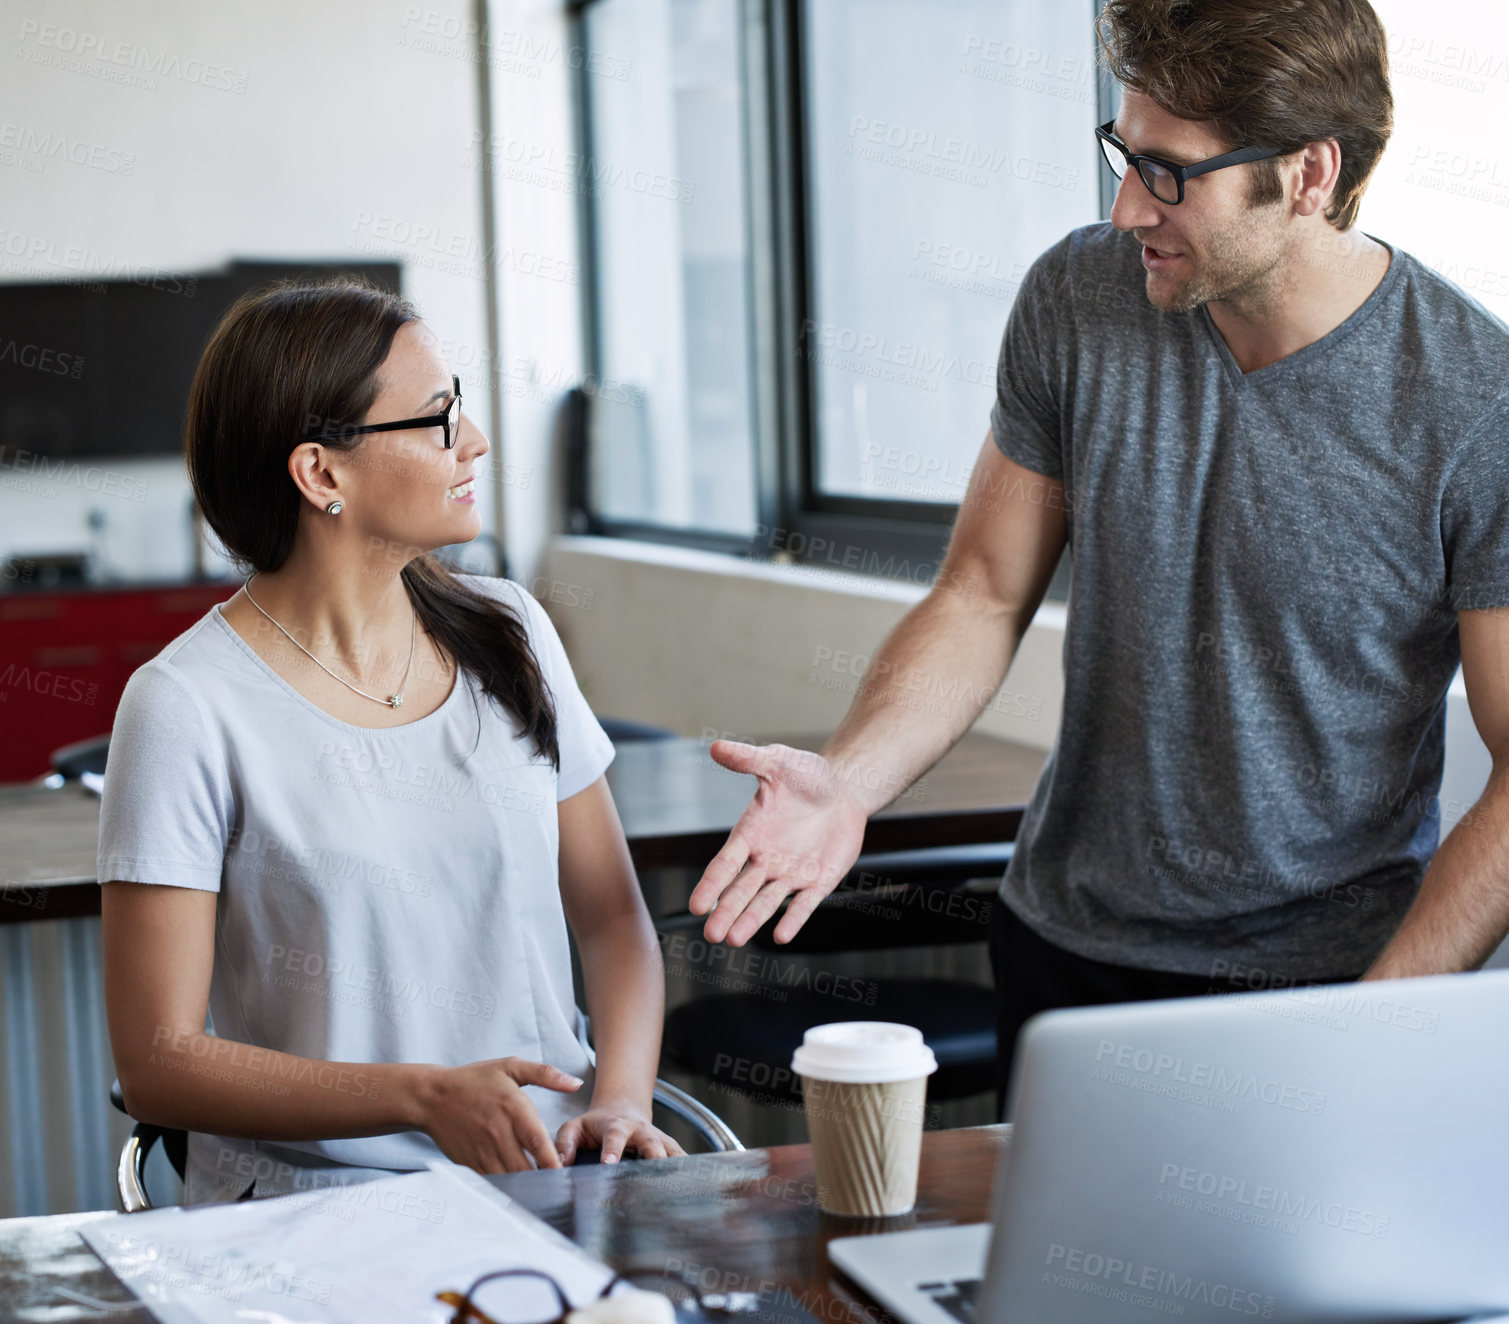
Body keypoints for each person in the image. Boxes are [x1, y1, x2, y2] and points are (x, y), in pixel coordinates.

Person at [687, 0, 1509, 1109]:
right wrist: (851, 782)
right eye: (1124, 156)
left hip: (1319, 982)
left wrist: (1382, 1016)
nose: (1127, 209)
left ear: (1311, 173)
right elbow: (980, 593)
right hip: (1066, 947)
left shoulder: (1473, 404)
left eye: (1170, 175)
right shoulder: (1079, 299)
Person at [100, 278, 681, 1202]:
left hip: (550, 1184)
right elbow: (159, 1062)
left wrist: (617, 1100)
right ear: (321, 473)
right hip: (315, 1213)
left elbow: (613, 921)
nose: (477, 442)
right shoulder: (183, 706)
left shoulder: (512, 631)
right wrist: (418, 1098)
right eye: (439, 418)